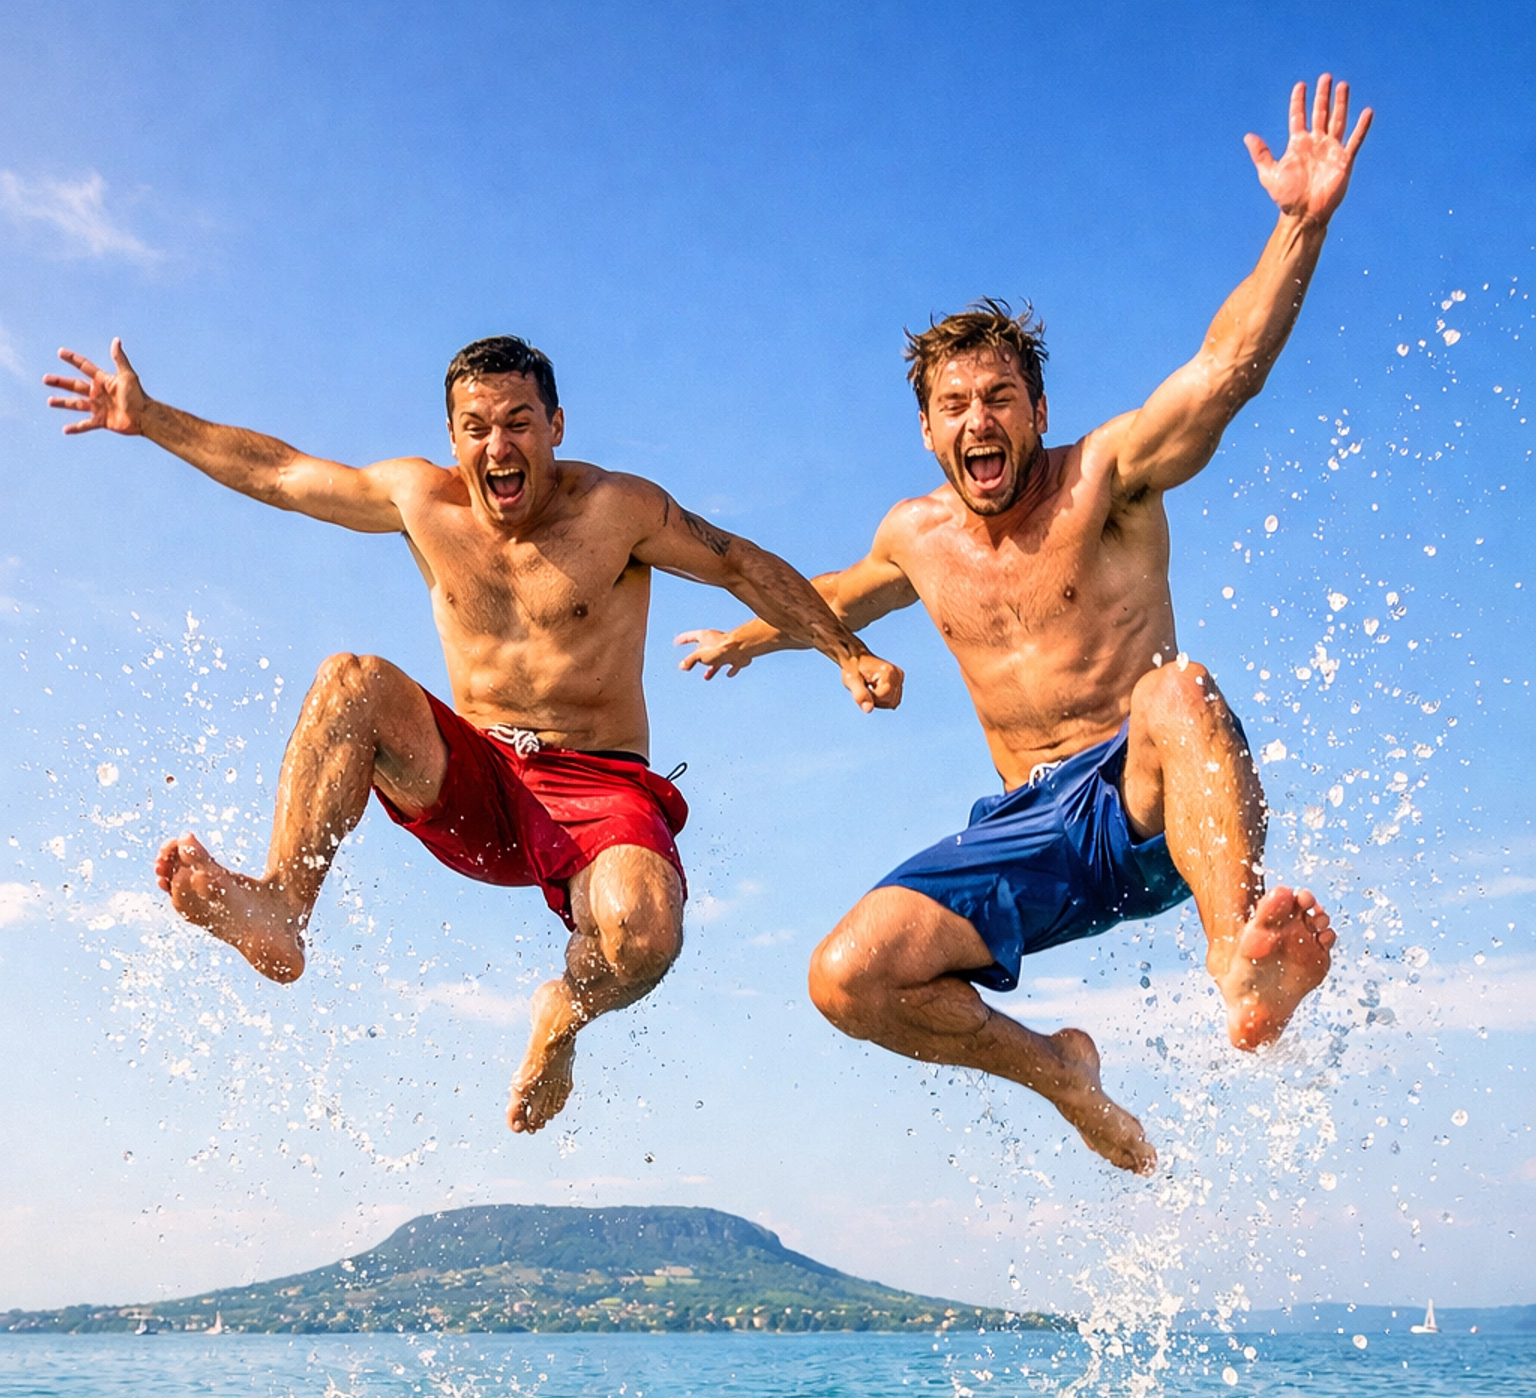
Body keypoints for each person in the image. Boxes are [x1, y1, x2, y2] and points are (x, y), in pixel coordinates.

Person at [678, 75, 1371, 1174]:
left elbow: (1222, 373)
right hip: (1030, 831)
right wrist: (756, 639)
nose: (979, 420)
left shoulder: (1107, 481)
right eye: (955, 406)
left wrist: (1299, 224)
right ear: (926, 430)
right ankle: (1062, 1074)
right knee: (845, 977)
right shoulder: (918, 534)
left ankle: (1241, 960)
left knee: (1176, 690)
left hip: (1148, 798)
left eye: (999, 397)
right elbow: (846, 593)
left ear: (1037, 410)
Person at [45, 334, 901, 1133]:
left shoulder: (621, 510)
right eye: (476, 428)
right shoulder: (422, 499)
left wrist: (845, 650)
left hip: (599, 790)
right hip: (475, 774)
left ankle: (563, 1012)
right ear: (453, 438)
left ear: (556, 427)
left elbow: (740, 561)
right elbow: (282, 473)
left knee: (646, 933)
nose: (498, 447)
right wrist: (148, 416)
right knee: (352, 680)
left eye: (520, 423)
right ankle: (281, 905)